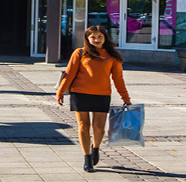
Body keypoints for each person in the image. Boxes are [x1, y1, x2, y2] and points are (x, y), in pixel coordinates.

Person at [56, 25, 131, 172]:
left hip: (102, 94)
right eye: (93, 37)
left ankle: (95, 147)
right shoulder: (80, 53)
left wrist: (125, 98)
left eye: (100, 37)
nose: (96, 40)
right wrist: (60, 92)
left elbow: (118, 79)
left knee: (99, 128)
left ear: (105, 37)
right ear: (87, 38)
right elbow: (69, 73)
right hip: (80, 94)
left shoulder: (112, 56)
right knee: (84, 126)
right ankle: (87, 158)